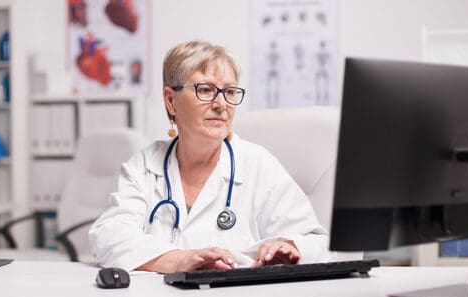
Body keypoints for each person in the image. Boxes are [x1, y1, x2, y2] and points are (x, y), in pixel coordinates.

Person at [89, 40, 329, 273]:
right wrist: (176, 260)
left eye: (230, 92)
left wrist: (290, 246)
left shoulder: (258, 165)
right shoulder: (143, 166)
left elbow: (316, 242)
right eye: (205, 90)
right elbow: (109, 235)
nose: (221, 104)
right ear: (171, 101)